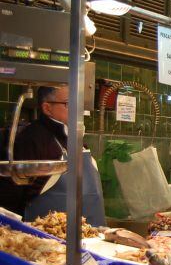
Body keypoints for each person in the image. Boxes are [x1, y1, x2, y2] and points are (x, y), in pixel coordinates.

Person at [0, 86, 105, 225]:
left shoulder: (76, 140)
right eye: (69, 104)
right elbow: (10, 198)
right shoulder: (32, 139)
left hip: (93, 238)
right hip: (45, 239)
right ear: (47, 108)